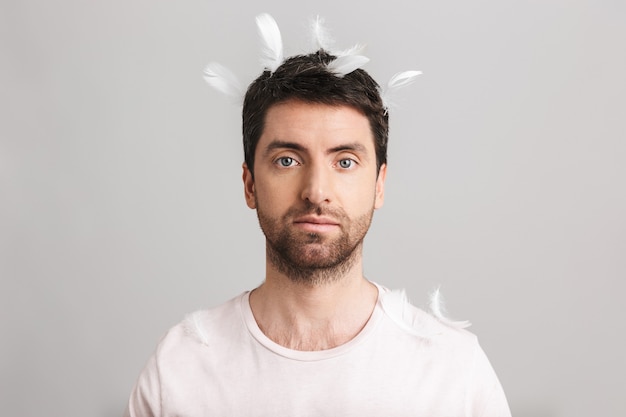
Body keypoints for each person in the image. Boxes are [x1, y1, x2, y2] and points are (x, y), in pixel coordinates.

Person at [125, 14, 511, 417]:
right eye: (288, 159)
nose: (317, 191)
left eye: (345, 161)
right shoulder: (178, 370)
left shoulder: (453, 372)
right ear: (250, 184)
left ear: (379, 184)